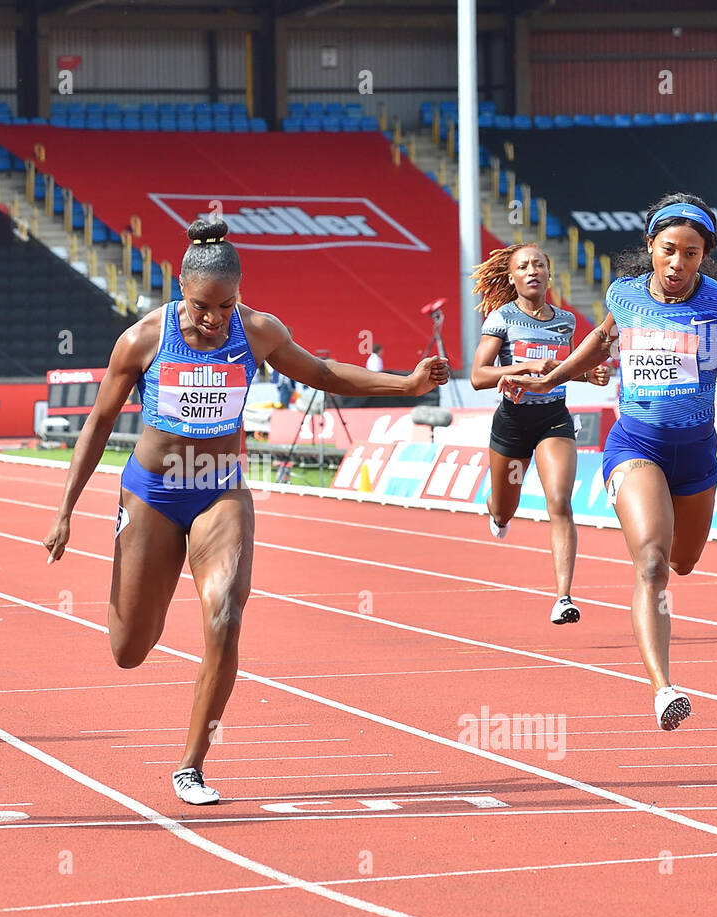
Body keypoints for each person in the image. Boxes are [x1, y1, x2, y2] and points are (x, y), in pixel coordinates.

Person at [44, 217, 448, 805]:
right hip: (152, 492)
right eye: (204, 307)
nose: (213, 320)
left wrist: (404, 385)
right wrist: (66, 510)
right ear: (182, 288)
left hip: (219, 490)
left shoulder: (256, 330)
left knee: (225, 616)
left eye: (225, 305)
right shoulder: (143, 340)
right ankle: (146, 615)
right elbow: (100, 424)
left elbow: (323, 371)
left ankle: (191, 764)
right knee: (129, 649)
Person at [499, 193, 717, 731]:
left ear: (705, 254)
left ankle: (663, 662)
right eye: (668, 251)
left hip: (697, 451)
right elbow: (600, 340)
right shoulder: (627, 295)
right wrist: (552, 376)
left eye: (691, 253)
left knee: (683, 562)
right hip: (636, 445)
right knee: (653, 565)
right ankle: (663, 689)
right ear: (650, 248)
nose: (678, 264)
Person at [469, 242, 611, 624]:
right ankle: (498, 512)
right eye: (523, 266)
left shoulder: (564, 321)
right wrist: (525, 367)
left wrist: (589, 374)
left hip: (554, 420)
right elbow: (478, 376)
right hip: (513, 423)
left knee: (560, 501)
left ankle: (563, 597)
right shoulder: (501, 318)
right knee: (504, 508)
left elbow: (560, 371)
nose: (531, 271)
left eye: (538, 265)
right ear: (512, 277)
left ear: (549, 274)